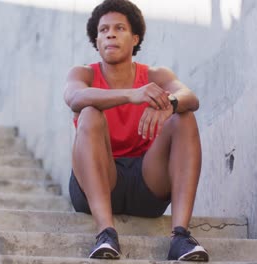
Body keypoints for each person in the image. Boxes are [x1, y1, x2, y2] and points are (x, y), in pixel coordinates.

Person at [64, 0, 209, 261]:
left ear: (135, 39)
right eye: (103, 30)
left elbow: (191, 97)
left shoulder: (155, 75)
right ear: (96, 41)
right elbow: (74, 98)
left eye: (119, 28)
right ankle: (106, 234)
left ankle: (180, 237)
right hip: (98, 181)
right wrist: (133, 95)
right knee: (88, 111)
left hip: (146, 184)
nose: (110, 33)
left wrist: (170, 104)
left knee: (183, 118)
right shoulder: (83, 74)